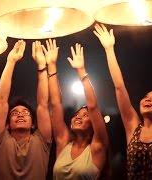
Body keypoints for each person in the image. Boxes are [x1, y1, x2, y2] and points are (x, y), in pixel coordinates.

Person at [94, 23, 152, 179]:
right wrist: (109, 49)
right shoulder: (133, 128)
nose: (147, 98)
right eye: (146, 96)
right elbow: (119, 87)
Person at [43, 39, 109, 179]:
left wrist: (81, 71)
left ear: (94, 125)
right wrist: (52, 65)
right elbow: (55, 104)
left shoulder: (97, 146)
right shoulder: (63, 142)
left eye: (85, 115)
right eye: (77, 114)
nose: (78, 116)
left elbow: (92, 106)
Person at [0, 40, 52, 180]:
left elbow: (42, 104)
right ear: (7, 124)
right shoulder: (0, 140)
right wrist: (11, 61)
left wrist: (42, 66)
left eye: (26, 113)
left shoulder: (41, 140)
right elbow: (1, 101)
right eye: (14, 113)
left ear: (33, 124)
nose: (20, 115)